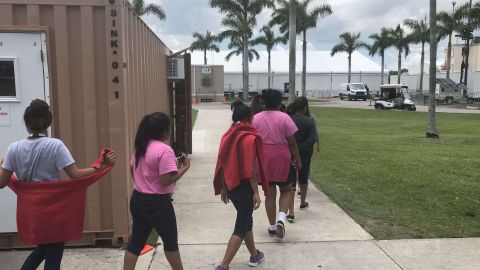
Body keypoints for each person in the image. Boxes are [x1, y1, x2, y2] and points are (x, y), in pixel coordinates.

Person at [0, 99, 117, 270]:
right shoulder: (55, 145)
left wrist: (2, 165)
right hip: (54, 209)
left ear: (26, 123)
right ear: (48, 121)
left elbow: (2, 183)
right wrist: (100, 166)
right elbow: (75, 175)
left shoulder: (13, 148)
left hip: (31, 211)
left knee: (43, 249)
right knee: (53, 254)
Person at [123, 112, 190, 270]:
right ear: (164, 131)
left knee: (136, 243)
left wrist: (144, 183)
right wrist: (185, 167)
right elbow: (166, 180)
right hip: (159, 204)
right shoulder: (165, 150)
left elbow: (133, 168)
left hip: (138, 199)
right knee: (171, 243)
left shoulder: (141, 147)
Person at [213, 104, 269, 270]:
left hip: (231, 186)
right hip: (245, 188)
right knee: (241, 226)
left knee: (246, 222)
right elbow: (251, 169)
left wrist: (223, 187)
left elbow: (221, 163)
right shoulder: (250, 138)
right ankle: (223, 265)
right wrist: (256, 192)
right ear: (249, 118)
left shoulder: (227, 136)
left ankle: (254, 255)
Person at [252, 89, 301, 239]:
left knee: (270, 193)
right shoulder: (285, 118)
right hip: (282, 157)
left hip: (264, 158)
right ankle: (281, 219)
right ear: (280, 102)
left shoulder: (256, 118)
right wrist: (298, 160)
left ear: (264, 102)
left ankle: (272, 227)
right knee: (286, 190)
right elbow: (292, 143)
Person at [287, 97, 318, 222]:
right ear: (305, 107)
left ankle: (291, 211)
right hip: (305, 154)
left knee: (291, 182)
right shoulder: (309, 121)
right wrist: (301, 147)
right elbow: (313, 138)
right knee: (303, 179)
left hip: (290, 153)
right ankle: (303, 202)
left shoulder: (288, 119)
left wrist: (294, 149)